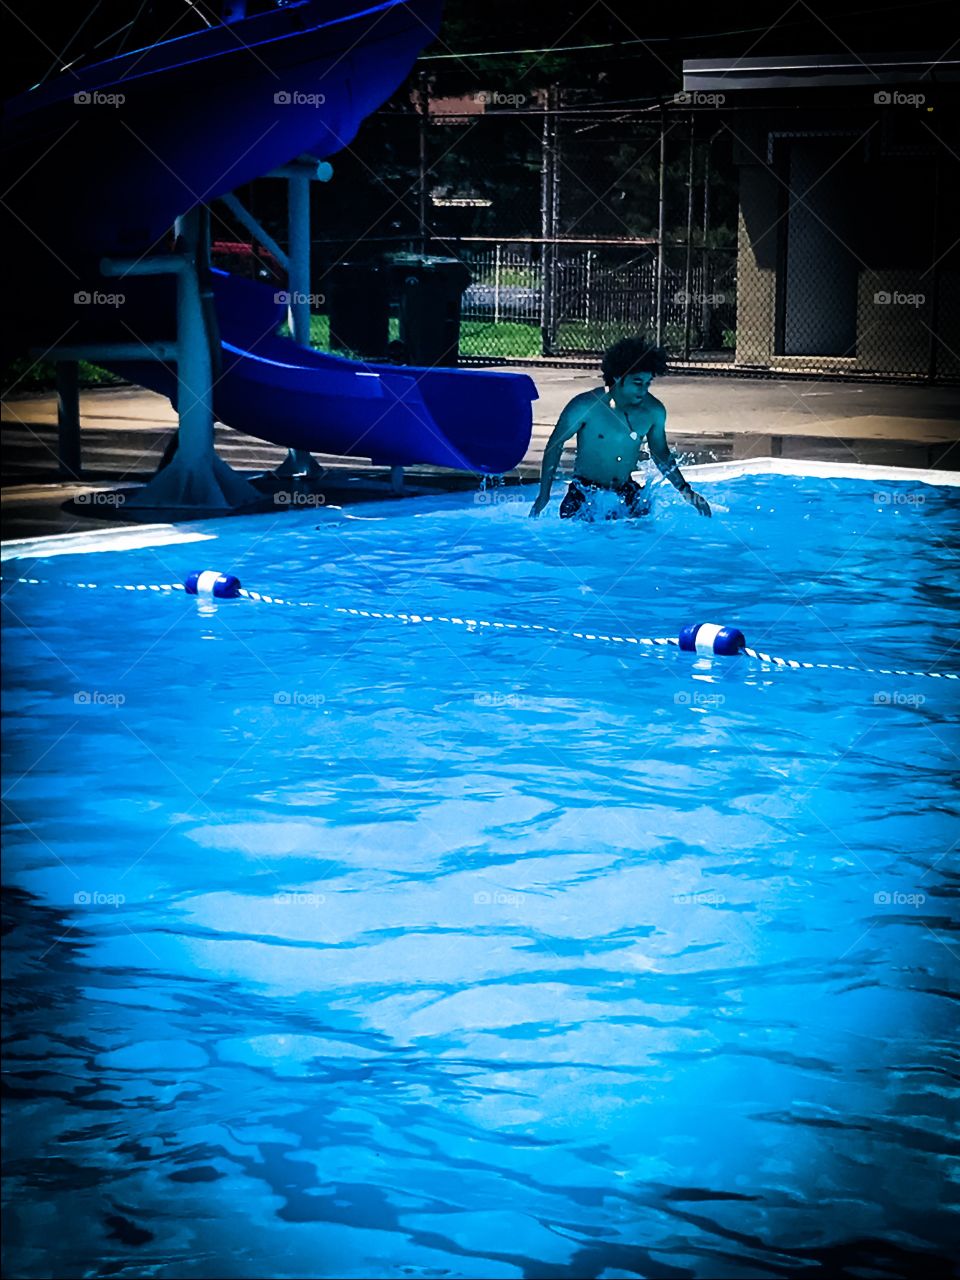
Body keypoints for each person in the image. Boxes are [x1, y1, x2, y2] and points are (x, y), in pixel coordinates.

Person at [529, 337, 711, 520]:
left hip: (625, 491)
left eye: (648, 383)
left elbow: (660, 454)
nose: (643, 390)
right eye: (637, 383)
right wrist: (544, 495)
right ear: (617, 376)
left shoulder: (653, 411)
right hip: (585, 492)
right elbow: (555, 445)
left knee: (644, 527)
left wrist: (686, 491)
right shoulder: (586, 406)